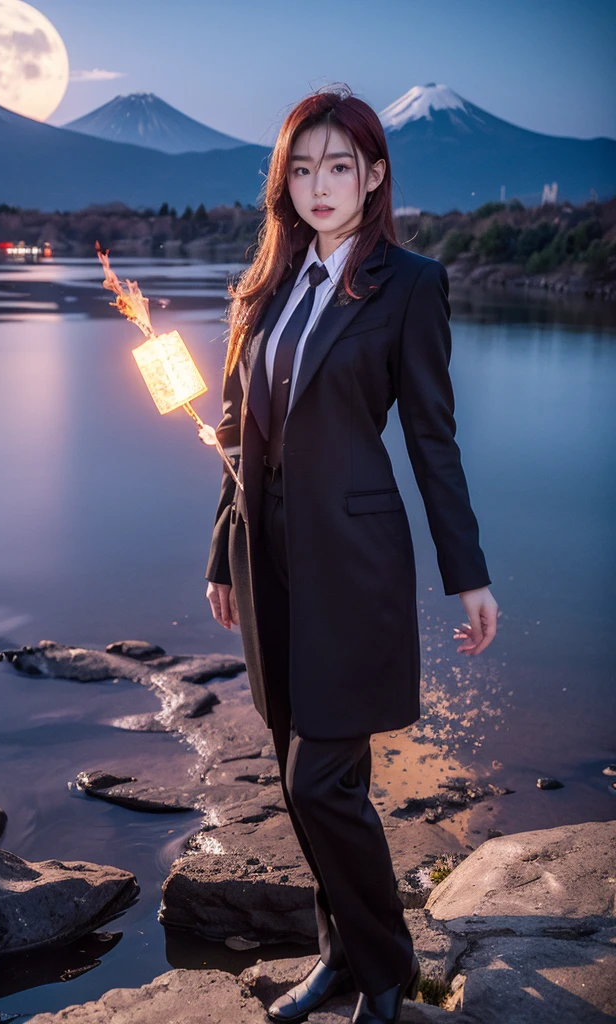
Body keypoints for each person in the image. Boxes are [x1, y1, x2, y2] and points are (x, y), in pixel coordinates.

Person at [204, 84, 498, 1024]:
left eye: (339, 166)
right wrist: (222, 552)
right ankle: (341, 956)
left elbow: (432, 441)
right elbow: (236, 431)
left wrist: (470, 574)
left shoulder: (409, 284)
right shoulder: (267, 285)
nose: (319, 184)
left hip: (355, 563)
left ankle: (384, 971)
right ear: (282, 180)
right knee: (309, 774)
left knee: (315, 779)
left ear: (373, 175)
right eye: (302, 167)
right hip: (269, 562)